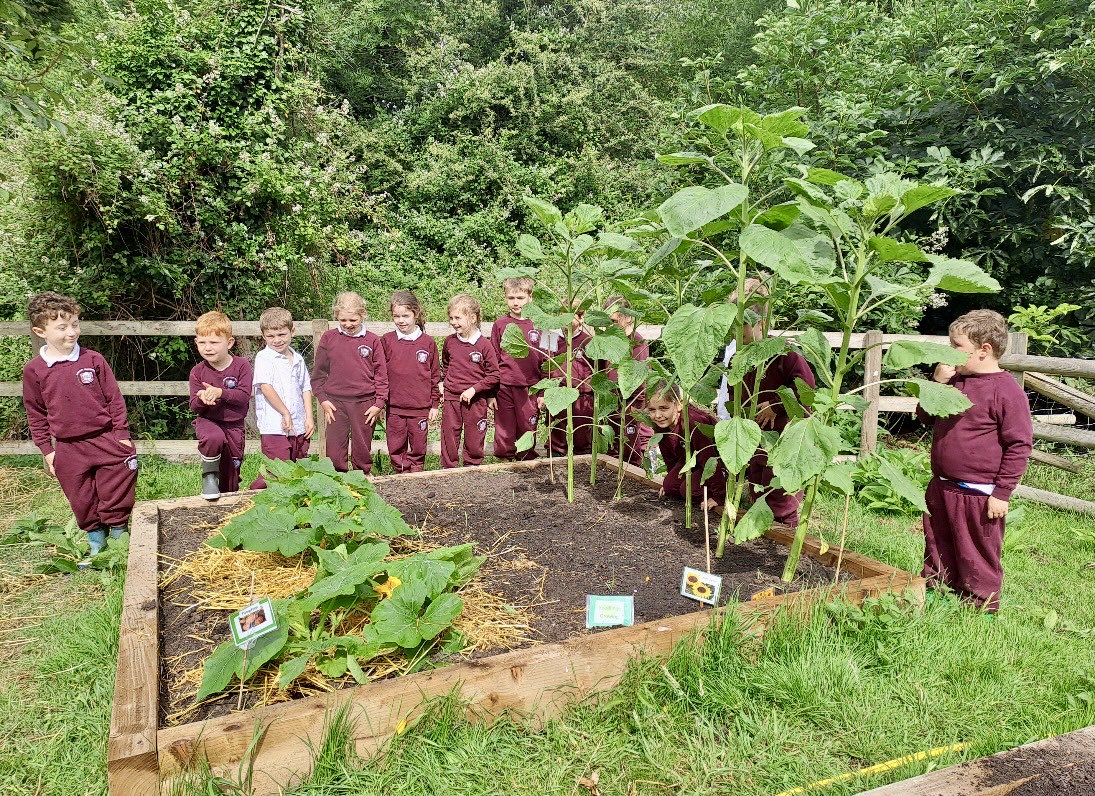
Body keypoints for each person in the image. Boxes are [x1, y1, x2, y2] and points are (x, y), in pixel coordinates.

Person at [917, 309, 1032, 612]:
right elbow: (925, 416)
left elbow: (1019, 445)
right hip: (942, 484)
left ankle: (982, 603)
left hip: (979, 491)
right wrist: (937, 384)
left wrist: (1002, 493)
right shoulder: (954, 381)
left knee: (977, 550)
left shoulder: (1006, 392)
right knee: (938, 541)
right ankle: (938, 589)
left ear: (984, 350)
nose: (950, 352)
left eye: (957, 346)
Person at [21, 292, 138, 563]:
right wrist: (47, 450)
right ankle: (96, 544)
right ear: (40, 332)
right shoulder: (35, 370)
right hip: (68, 446)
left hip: (104, 438)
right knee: (81, 497)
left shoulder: (92, 359)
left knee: (117, 487)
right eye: (62, 327)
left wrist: (121, 435)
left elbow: (114, 399)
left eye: (75, 324)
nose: (71, 332)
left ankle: (120, 540)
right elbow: (35, 413)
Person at [733, 279, 816, 527]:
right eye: (734, 325)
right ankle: (764, 531)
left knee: (781, 493)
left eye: (743, 325)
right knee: (758, 483)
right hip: (756, 434)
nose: (737, 331)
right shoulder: (741, 357)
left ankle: (785, 532)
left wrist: (776, 404)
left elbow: (806, 389)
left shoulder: (784, 354)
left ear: (760, 323)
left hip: (785, 436)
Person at [311, 292, 388, 474]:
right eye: (343, 320)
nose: (348, 324)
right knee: (335, 445)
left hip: (365, 403)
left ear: (363, 315)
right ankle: (337, 477)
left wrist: (379, 403)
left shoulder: (372, 340)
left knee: (362, 443)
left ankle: (362, 475)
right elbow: (318, 374)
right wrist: (323, 400)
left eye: (353, 320)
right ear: (336, 316)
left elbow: (381, 375)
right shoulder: (329, 338)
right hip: (335, 403)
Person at [189, 311, 252, 500]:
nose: (207, 348)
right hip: (208, 421)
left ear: (229, 343)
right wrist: (202, 399)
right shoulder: (197, 372)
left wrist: (220, 393)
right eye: (202, 342)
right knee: (213, 437)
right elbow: (194, 406)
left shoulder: (241, 366)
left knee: (231, 476)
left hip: (234, 426)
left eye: (214, 342)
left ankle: (227, 496)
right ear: (196, 342)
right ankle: (209, 477)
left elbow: (243, 396)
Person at [251, 307, 314, 488]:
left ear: (292, 331)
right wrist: (285, 412)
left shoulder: (298, 359)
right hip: (274, 425)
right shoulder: (264, 358)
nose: (277, 340)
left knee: (297, 467)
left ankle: (292, 500)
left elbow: (306, 388)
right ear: (263, 336)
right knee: (276, 468)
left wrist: (309, 417)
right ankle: (257, 495)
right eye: (271, 336)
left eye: (281, 334)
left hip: (298, 424)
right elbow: (266, 387)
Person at [381, 290, 441, 473]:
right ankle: (400, 473)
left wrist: (434, 404)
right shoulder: (386, 341)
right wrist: (380, 401)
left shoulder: (428, 343)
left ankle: (416, 473)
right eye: (396, 316)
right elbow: (380, 374)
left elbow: (435, 376)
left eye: (405, 316)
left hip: (420, 407)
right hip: (395, 407)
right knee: (396, 444)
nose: (401, 320)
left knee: (418, 445)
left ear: (416, 314)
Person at [441, 294, 500, 468]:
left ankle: (472, 467)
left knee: (475, 436)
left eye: (458, 318)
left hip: (475, 399)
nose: (453, 322)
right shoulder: (449, 342)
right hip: (452, 397)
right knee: (449, 435)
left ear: (473, 318)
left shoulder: (484, 345)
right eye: (451, 318)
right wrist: (443, 383)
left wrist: (474, 389)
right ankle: (448, 468)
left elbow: (494, 375)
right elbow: (446, 364)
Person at [489, 276, 545, 460]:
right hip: (505, 384)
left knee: (527, 424)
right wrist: (492, 391)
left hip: (531, 385)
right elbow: (494, 357)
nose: (515, 302)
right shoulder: (500, 324)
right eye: (511, 298)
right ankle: (505, 458)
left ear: (530, 297)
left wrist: (544, 391)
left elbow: (548, 359)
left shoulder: (541, 324)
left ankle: (526, 458)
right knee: (504, 426)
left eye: (520, 298)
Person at [646, 381, 726, 507]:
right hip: (690, 461)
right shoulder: (661, 424)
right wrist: (669, 481)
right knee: (670, 486)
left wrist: (719, 496)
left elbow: (708, 458)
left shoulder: (694, 422)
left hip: (716, 461)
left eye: (664, 408)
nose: (657, 415)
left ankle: (724, 482)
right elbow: (669, 458)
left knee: (689, 491)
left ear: (679, 404)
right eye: (652, 410)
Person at [604, 296, 654, 466]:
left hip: (631, 406)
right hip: (613, 404)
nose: (611, 325)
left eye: (614, 321)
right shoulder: (610, 341)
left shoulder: (637, 344)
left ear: (628, 317)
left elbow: (639, 382)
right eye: (608, 321)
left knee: (633, 450)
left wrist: (632, 409)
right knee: (614, 448)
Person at [543, 309, 595, 455]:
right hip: (557, 392)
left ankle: (581, 462)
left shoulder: (588, 340)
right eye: (562, 315)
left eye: (570, 316)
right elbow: (544, 364)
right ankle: (555, 460)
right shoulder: (550, 336)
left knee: (582, 435)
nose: (565, 319)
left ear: (581, 318)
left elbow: (596, 368)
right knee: (556, 432)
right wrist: (543, 392)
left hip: (581, 395)